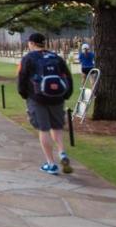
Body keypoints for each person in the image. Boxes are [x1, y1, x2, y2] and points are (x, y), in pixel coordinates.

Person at [16, 33, 75, 175]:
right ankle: (62, 152)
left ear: (31, 43)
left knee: (44, 129)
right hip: (57, 98)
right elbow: (67, 76)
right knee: (57, 126)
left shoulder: (28, 58)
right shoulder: (56, 57)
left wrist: (24, 95)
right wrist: (66, 94)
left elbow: (22, 78)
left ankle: (51, 163)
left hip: (37, 98)